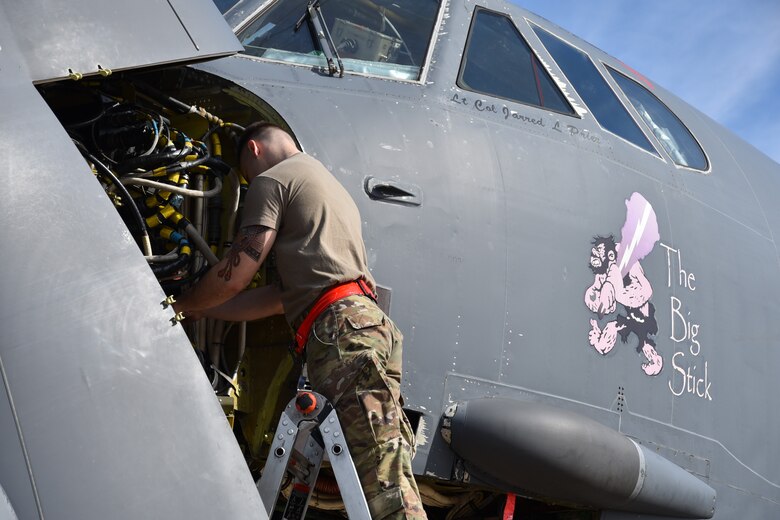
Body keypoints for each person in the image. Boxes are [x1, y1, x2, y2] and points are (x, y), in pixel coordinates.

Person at [173, 122, 427, 520]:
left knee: (384, 476)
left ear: (254, 151)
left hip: (339, 330)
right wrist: (209, 308)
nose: (251, 182)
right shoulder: (325, 184)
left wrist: (183, 303)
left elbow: (238, 270)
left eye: (247, 173)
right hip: (368, 323)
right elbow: (279, 298)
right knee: (386, 453)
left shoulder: (272, 180)